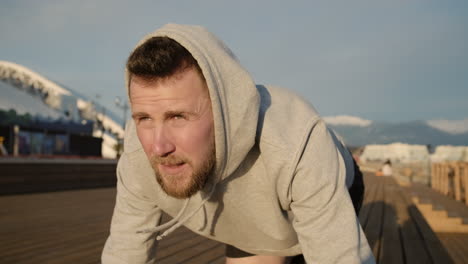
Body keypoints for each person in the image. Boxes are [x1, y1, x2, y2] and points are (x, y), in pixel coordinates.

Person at [102, 24, 374, 264]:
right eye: (144, 118)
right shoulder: (140, 153)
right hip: (252, 220)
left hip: (325, 183)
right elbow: (125, 250)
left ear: (225, 111)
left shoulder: (295, 143)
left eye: (178, 116)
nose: (159, 147)